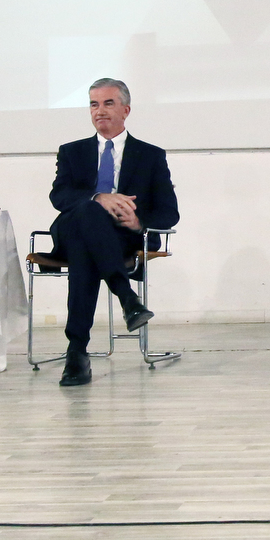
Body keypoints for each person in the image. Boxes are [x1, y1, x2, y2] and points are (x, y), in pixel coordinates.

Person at [48, 78, 179, 387]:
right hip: (71, 230)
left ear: (126, 110)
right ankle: (127, 297)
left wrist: (138, 223)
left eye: (108, 103)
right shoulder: (72, 152)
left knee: (85, 252)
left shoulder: (150, 155)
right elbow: (59, 196)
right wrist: (98, 198)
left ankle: (76, 351)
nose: (100, 111)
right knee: (88, 213)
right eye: (94, 104)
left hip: (120, 237)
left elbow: (169, 212)